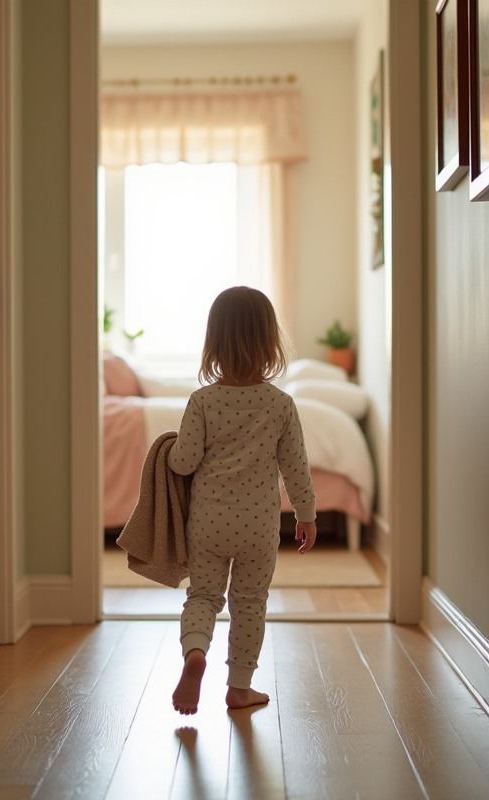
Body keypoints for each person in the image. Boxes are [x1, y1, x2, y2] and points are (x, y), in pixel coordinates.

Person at [168, 286, 317, 715]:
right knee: (249, 602)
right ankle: (239, 687)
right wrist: (305, 516)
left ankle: (196, 652)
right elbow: (296, 469)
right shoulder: (280, 404)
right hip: (258, 527)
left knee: (203, 597)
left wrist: (168, 448)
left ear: (213, 342)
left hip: (209, 522)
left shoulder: (202, 401)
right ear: (269, 341)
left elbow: (183, 462)